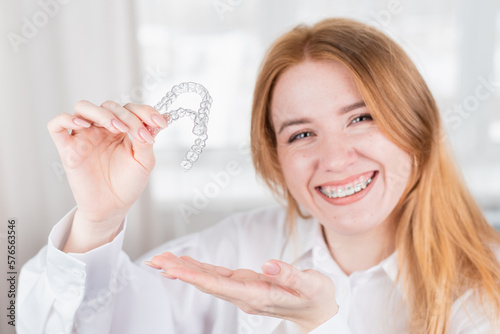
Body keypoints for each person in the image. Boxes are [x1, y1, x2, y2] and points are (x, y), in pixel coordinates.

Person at [18, 17, 500, 334]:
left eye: (361, 118)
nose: (334, 159)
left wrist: (319, 324)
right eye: (300, 135)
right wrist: (98, 220)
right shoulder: (238, 250)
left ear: (418, 127)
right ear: (275, 159)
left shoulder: (486, 281)